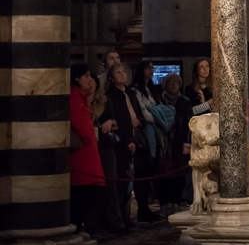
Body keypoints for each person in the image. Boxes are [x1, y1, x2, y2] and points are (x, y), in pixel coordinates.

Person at [100, 63, 159, 224]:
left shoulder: (130, 93)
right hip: (123, 143)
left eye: (124, 71)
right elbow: (115, 122)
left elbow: (140, 115)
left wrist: (139, 122)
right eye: (118, 72)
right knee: (123, 181)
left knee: (143, 175)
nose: (122, 74)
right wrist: (127, 141)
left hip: (138, 138)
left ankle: (143, 209)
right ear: (111, 78)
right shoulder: (110, 96)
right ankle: (121, 217)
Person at [69, 64, 106, 233]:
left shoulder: (82, 97)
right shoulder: (74, 97)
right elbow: (78, 121)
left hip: (89, 152)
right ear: (77, 78)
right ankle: (76, 227)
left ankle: (79, 227)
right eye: (87, 76)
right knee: (84, 194)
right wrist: (89, 138)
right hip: (82, 155)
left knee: (91, 194)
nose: (90, 79)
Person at [157, 73, 193, 215]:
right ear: (165, 84)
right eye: (170, 82)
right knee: (162, 175)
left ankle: (176, 202)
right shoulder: (159, 100)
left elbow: (190, 123)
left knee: (179, 174)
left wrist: (188, 143)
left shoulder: (185, 102)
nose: (173, 84)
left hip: (179, 142)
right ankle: (163, 203)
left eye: (176, 82)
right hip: (163, 143)